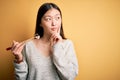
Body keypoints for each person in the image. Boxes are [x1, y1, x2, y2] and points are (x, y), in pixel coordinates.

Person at [11, 2, 78, 80]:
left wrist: (57, 48)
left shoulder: (67, 45)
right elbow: (20, 79)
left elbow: (70, 77)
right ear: (40, 23)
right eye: (48, 19)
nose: (54, 23)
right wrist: (19, 59)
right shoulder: (28, 46)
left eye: (57, 18)